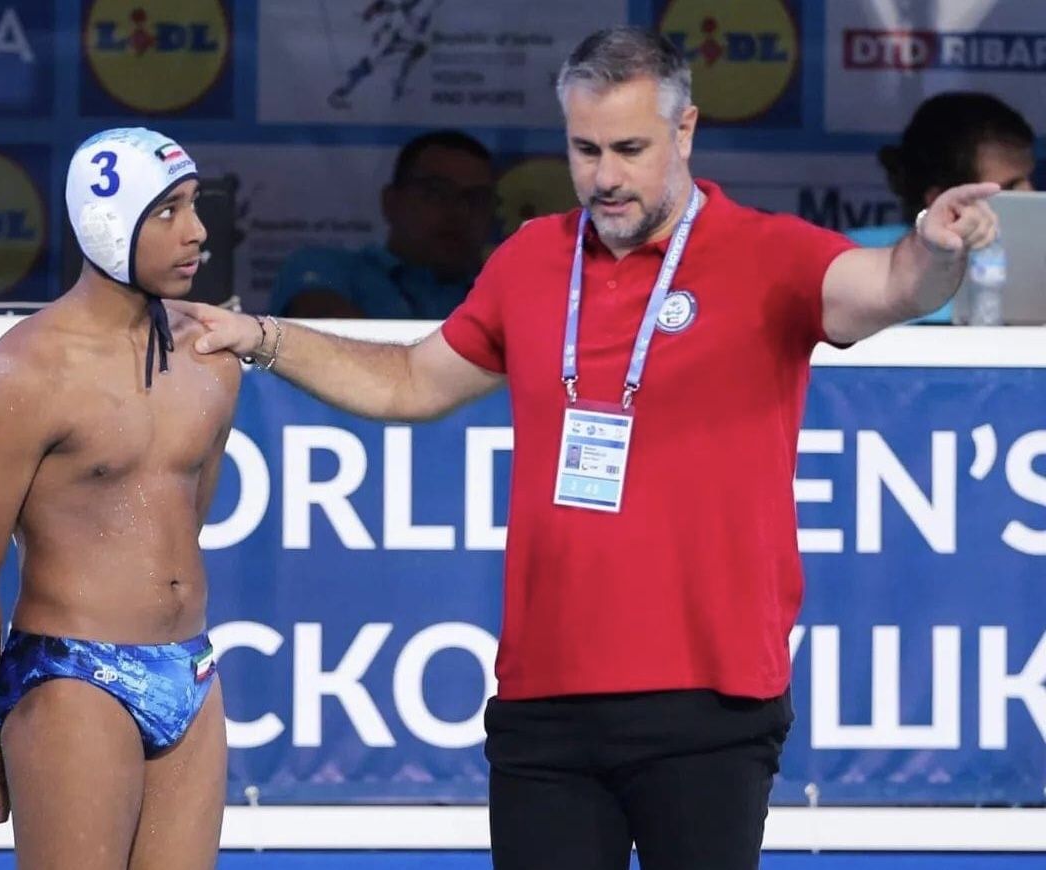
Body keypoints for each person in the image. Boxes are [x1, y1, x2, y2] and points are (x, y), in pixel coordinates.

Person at [181, 26, 999, 870]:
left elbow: (891, 286)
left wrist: (934, 251)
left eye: (630, 149)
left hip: (709, 699)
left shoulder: (768, 252)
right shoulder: (532, 257)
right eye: (585, 149)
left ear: (685, 131)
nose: (605, 175)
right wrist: (263, 337)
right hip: (546, 700)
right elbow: (410, 381)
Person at [0, 128, 239, 870]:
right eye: (169, 211)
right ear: (109, 225)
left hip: (191, 669)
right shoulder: (28, 370)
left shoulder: (212, 357)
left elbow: (185, 525)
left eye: (194, 204)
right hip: (72, 677)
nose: (197, 231)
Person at [849, 91, 1035, 323]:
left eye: (1030, 179)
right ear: (941, 200)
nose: (1031, 193)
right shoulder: (853, 259)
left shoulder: (1036, 264)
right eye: (1010, 187)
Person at [269, 129, 495, 319]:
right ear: (391, 202)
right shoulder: (326, 267)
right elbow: (325, 339)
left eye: (476, 199)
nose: (459, 211)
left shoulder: (500, 292)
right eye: (436, 193)